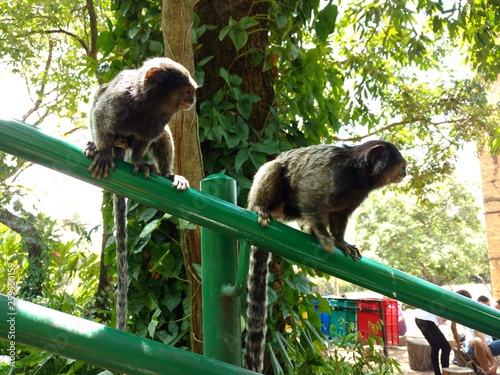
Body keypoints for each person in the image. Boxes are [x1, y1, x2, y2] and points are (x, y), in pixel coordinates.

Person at [451, 290, 498, 375]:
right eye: (484, 306)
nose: (487, 308)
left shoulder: (489, 315)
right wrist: (494, 363)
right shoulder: (471, 315)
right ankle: (487, 372)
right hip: (473, 346)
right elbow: (483, 342)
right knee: (477, 340)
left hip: (489, 345)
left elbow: (453, 326)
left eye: (488, 306)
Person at [415, 309, 450, 375]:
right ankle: (445, 373)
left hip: (419, 318)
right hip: (427, 319)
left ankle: (437, 373)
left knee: (435, 346)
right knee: (446, 348)